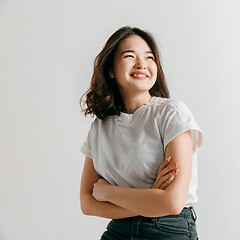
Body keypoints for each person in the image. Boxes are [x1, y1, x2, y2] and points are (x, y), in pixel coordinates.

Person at [79, 26, 203, 240]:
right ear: (110, 69)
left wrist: (108, 193)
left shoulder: (172, 114)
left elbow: (172, 203)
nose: (142, 64)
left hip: (167, 228)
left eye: (149, 57)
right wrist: (149, 198)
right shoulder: (100, 127)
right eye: (129, 56)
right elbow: (87, 203)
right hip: (118, 230)